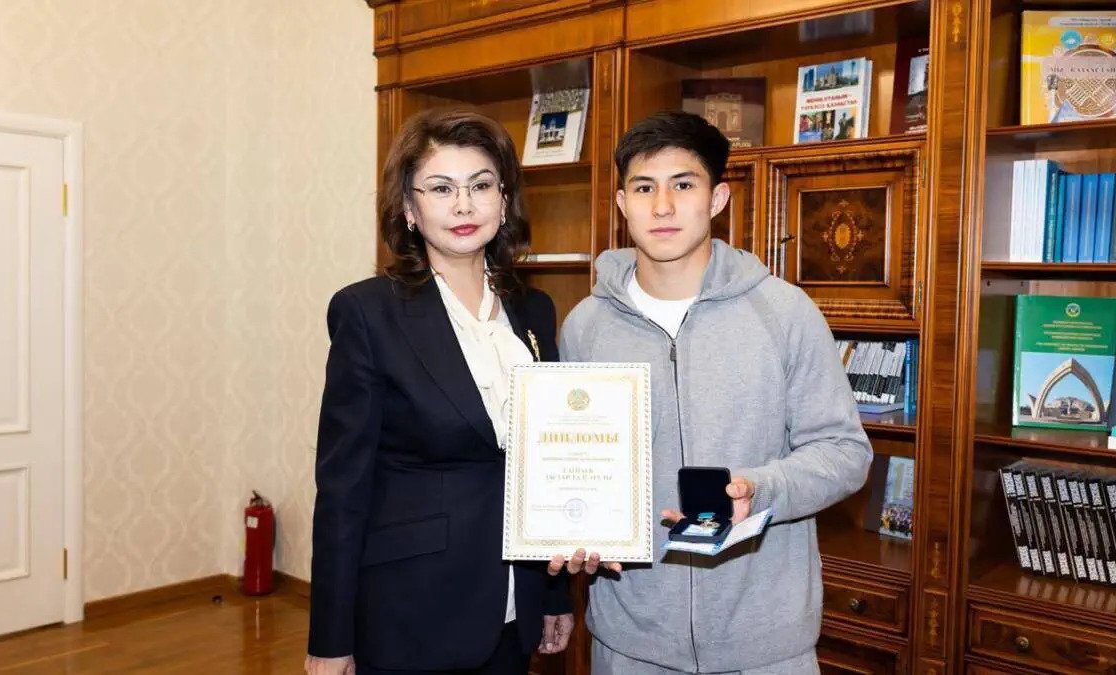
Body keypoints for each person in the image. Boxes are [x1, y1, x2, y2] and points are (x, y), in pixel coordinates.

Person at [551, 111, 872, 674]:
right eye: (644, 188)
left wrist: (760, 491)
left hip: (764, 644)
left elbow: (845, 454)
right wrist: (572, 527)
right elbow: (572, 463)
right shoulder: (586, 326)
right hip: (631, 642)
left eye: (683, 185)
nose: (663, 207)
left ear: (718, 198)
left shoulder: (784, 312)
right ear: (622, 204)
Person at [306, 108, 574, 675]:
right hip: (412, 608)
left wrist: (554, 595)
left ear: (504, 199)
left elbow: (547, 465)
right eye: (441, 188)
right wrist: (330, 637)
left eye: (481, 185)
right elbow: (343, 489)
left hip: (515, 602)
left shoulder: (534, 310)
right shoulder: (367, 313)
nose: (464, 205)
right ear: (409, 207)